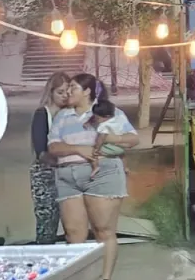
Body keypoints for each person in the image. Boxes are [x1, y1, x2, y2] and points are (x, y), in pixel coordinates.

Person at [48, 74, 139, 280]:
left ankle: (104, 278)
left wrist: (109, 138)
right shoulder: (62, 116)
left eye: (73, 87)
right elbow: (53, 146)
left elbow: (133, 139)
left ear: (87, 91)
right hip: (67, 178)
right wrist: (79, 148)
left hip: (102, 175)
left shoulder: (107, 111)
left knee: (103, 230)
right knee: (73, 234)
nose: (68, 91)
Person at [30, 72, 71, 244]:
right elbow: (41, 152)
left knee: (72, 223)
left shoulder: (71, 115)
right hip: (45, 175)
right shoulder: (42, 114)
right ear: (51, 92)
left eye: (67, 92)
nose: (64, 96)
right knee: (47, 224)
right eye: (60, 92)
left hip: (67, 174)